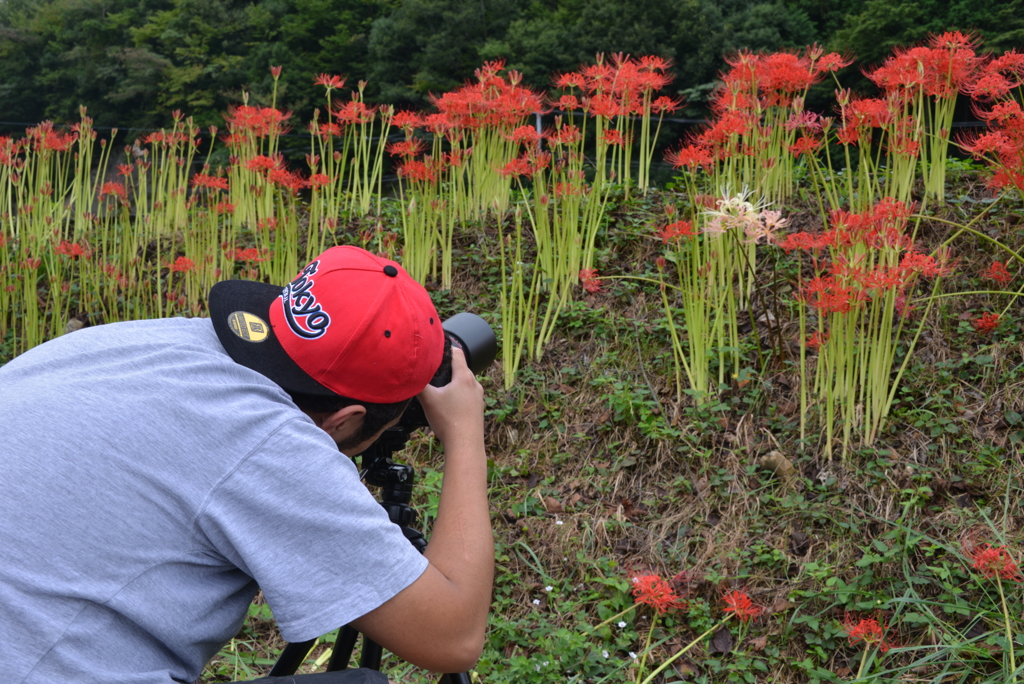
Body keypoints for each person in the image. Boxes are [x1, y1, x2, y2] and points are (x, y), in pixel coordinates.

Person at [0, 245, 494, 684]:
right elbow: (452, 638)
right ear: (345, 422)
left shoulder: (152, 342)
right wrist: (465, 436)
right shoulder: (272, 441)